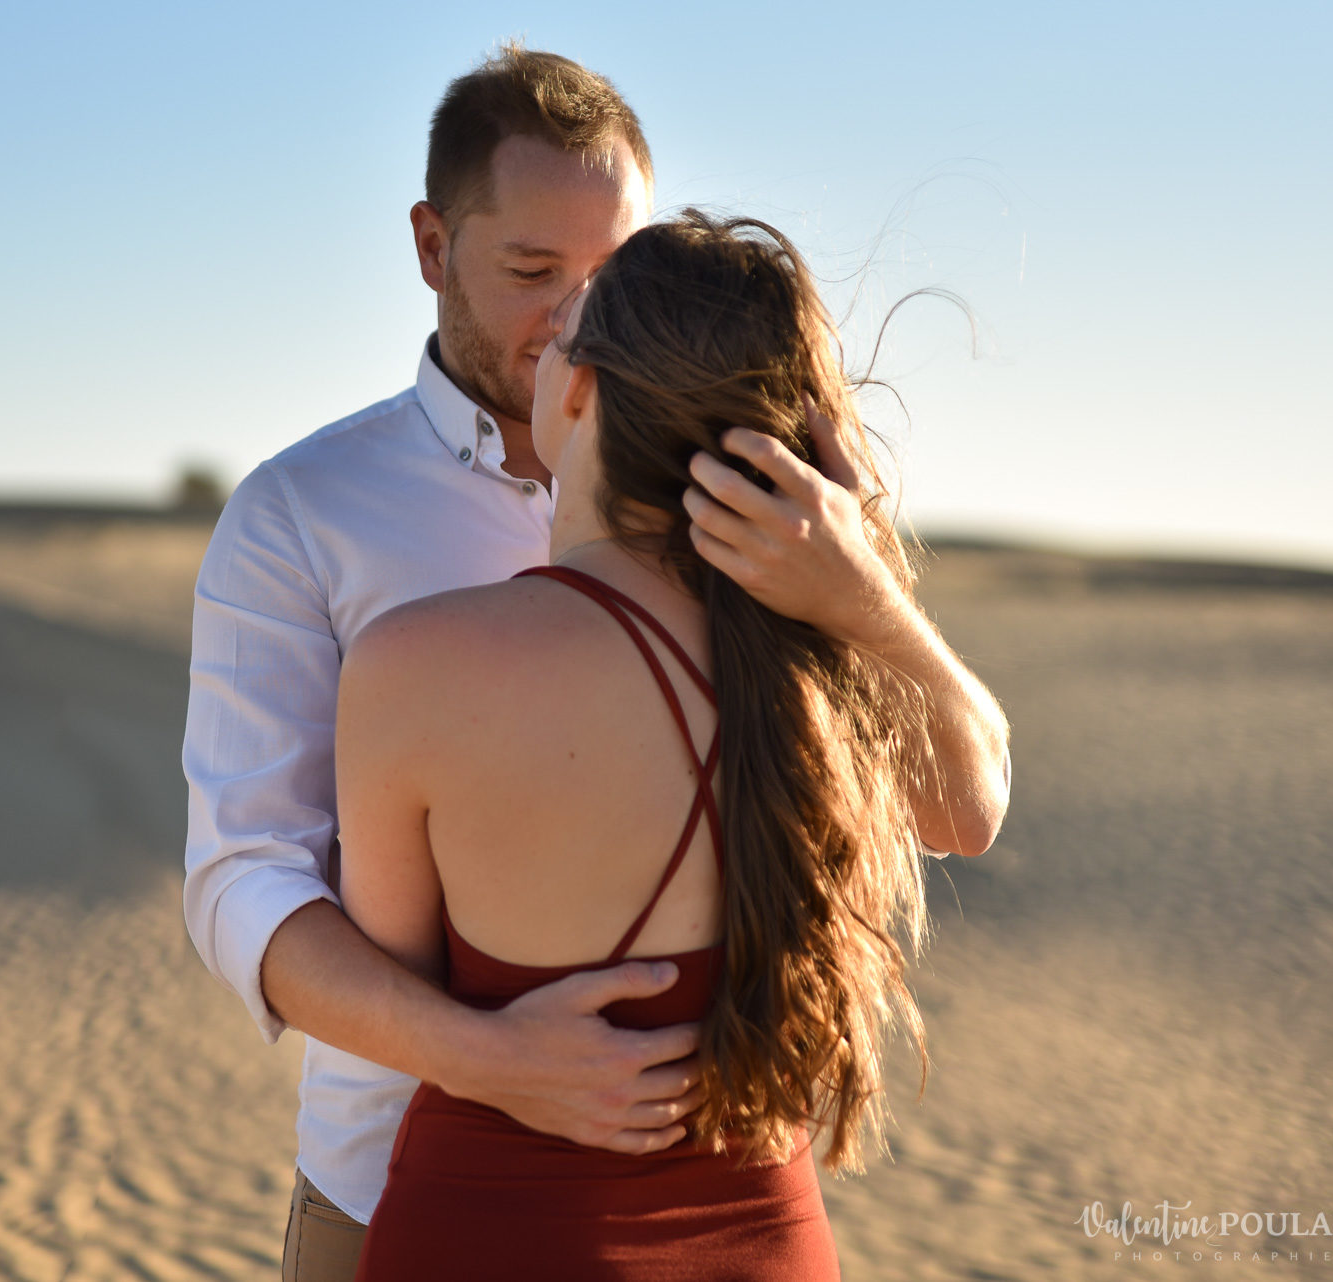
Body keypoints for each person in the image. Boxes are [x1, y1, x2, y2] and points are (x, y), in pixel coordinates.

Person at [181, 48, 1011, 1282]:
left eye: (605, 278)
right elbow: (244, 878)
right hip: (394, 1183)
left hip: (723, 1187)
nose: (572, 320)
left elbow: (963, 806)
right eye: (532, 273)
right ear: (431, 248)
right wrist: (483, 1052)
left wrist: (867, 590)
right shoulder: (303, 514)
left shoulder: (758, 512)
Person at [342, 210, 974, 1278]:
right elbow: (974, 803)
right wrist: (867, 585)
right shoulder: (821, 668)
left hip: (487, 1234)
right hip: (766, 1244)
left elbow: (393, 984)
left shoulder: (416, 665)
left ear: (579, 391)